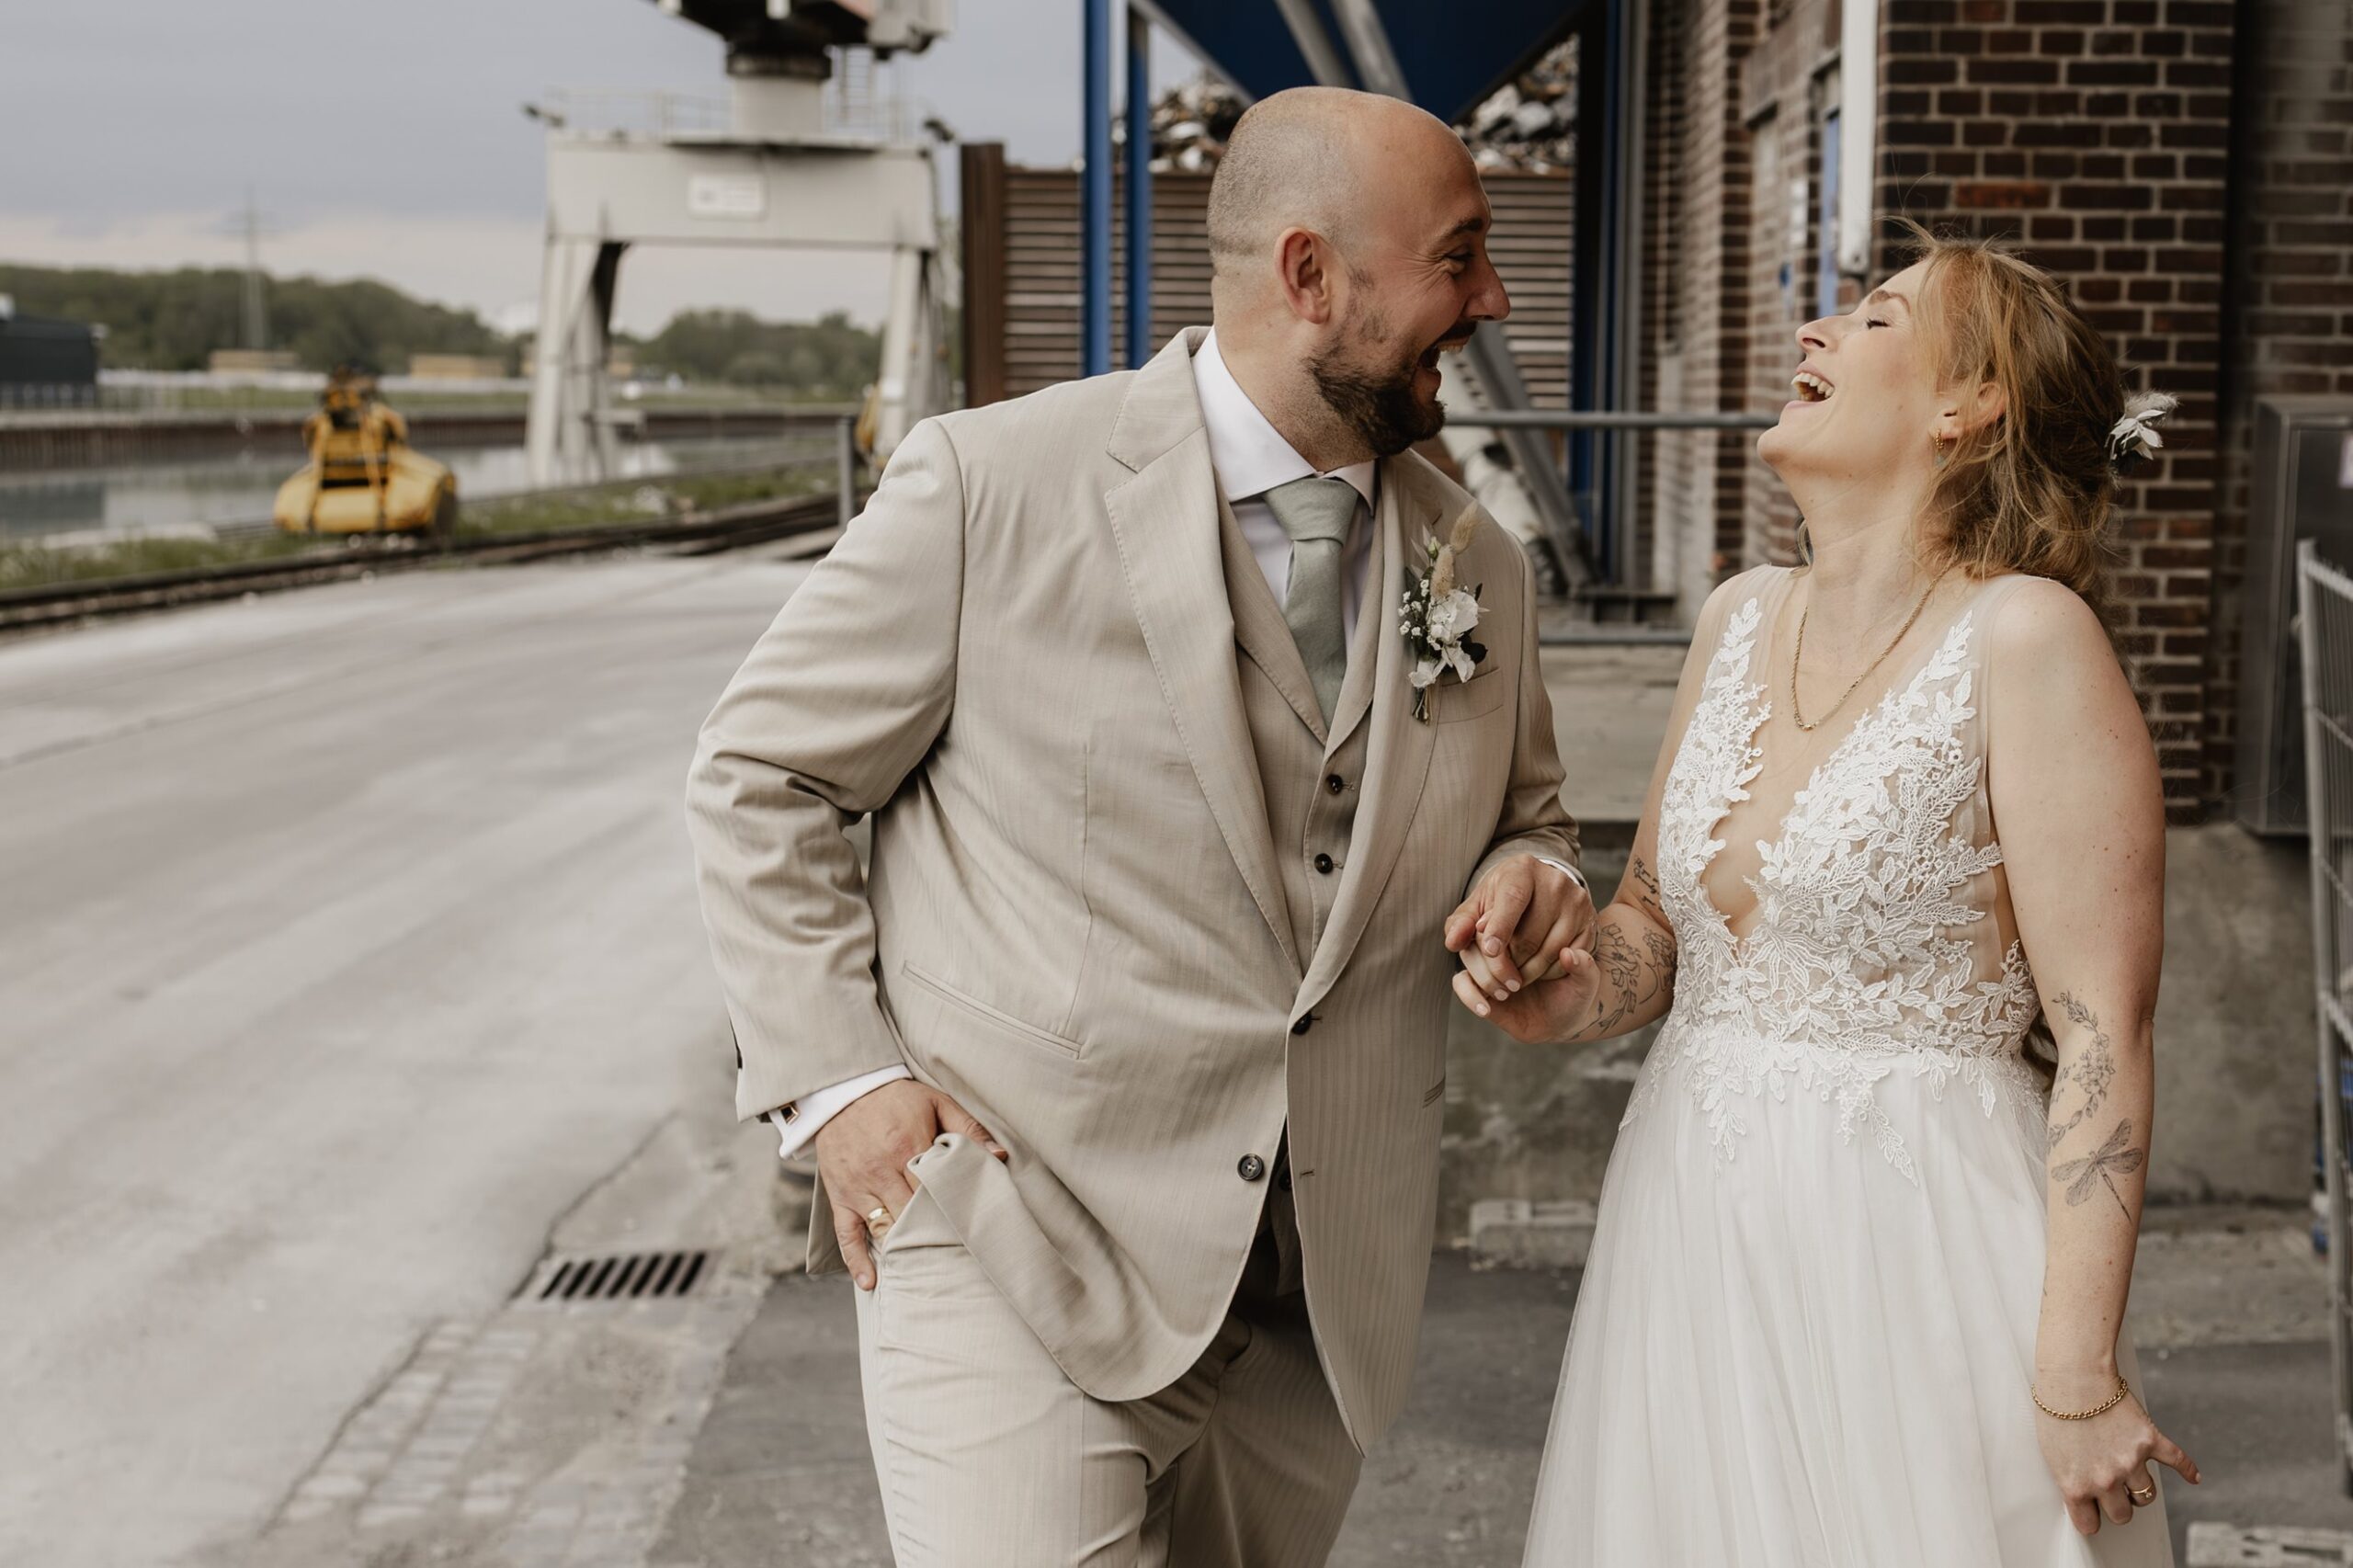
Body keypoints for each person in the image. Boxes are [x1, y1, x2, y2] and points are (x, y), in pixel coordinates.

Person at [683, 85, 1590, 1565]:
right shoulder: (992, 484)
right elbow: (758, 772)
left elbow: (1530, 812)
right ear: (1311, 275)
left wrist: (1530, 873)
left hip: (1315, 1308)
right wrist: (843, 1084)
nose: (1493, 298)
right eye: (1460, 255)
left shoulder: (1476, 557)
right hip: (1017, 1242)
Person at [1475, 228, 2201, 1565]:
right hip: (1694, 1227)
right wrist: (1567, 991)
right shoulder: (1737, 617)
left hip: (1916, 1245)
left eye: (1874, 319)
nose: (1814, 333)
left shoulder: (2028, 637)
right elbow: (1657, 924)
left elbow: (2105, 1031)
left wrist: (2075, 1370)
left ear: (1968, 405)